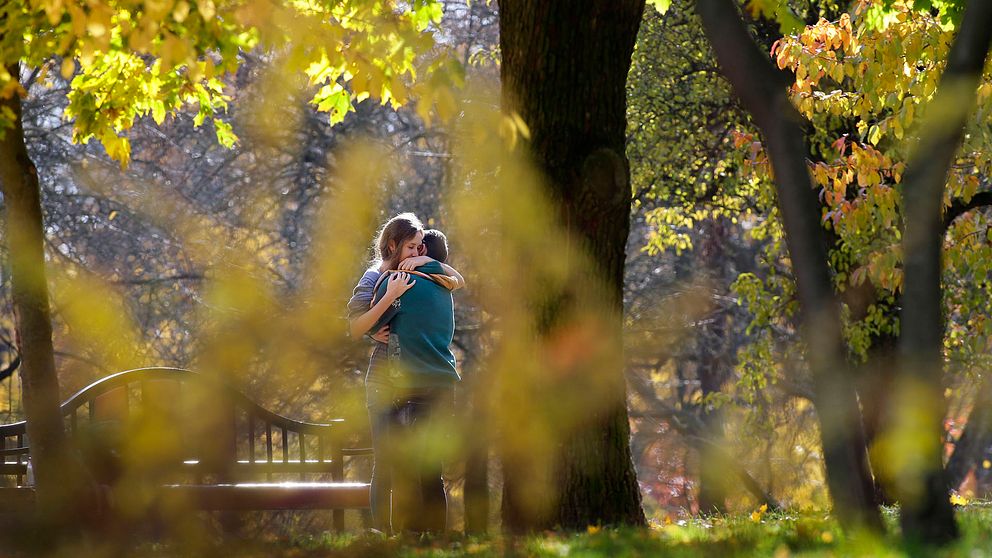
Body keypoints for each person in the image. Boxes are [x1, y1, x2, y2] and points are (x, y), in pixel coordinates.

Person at [347, 215, 463, 534]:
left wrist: (428, 263)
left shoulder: (417, 272)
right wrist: (387, 301)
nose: (417, 252)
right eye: (411, 247)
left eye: (421, 246)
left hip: (410, 377)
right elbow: (356, 326)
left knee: (417, 466)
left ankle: (413, 535)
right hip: (384, 376)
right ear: (393, 245)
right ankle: (380, 533)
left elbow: (456, 281)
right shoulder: (375, 276)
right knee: (385, 463)